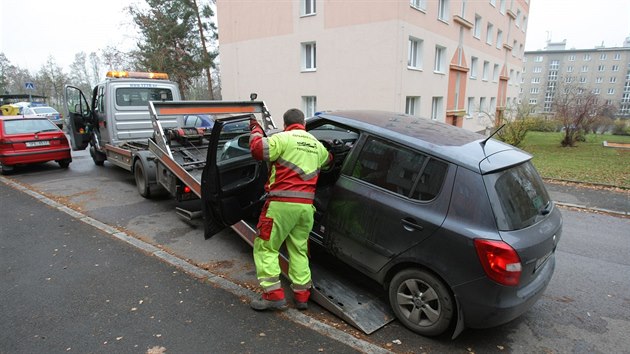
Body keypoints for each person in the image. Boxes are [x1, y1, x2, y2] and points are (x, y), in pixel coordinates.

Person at [248, 108, 331, 311]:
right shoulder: (316, 145)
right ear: (303, 124)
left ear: (285, 124)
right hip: (305, 209)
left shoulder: (283, 139)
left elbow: (258, 150)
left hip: (280, 206)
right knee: (299, 250)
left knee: (266, 247)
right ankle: (302, 295)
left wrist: (255, 128)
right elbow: (329, 161)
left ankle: (273, 295)